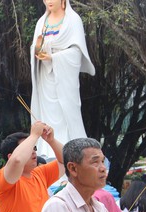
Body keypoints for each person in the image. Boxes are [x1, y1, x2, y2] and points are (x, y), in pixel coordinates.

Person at [30, 0, 95, 158]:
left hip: (64, 80)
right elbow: (34, 47)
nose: (49, 1)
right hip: (45, 77)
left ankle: (70, 150)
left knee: (65, 113)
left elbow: (75, 53)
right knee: (46, 116)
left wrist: (54, 57)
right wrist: (38, 50)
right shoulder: (41, 22)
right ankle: (46, 151)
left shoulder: (73, 20)